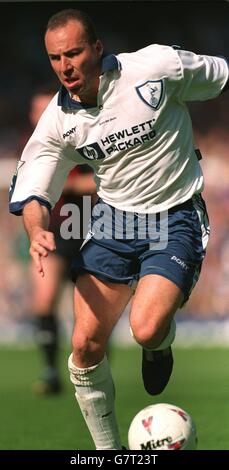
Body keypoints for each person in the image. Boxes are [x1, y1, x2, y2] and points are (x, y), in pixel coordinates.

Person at [9, 8, 228, 449]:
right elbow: (34, 191)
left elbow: (219, 76)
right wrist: (37, 232)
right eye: (55, 58)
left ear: (96, 48)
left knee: (146, 328)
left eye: (73, 53)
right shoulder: (57, 121)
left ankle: (157, 344)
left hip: (175, 214)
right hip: (113, 220)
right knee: (85, 345)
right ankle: (108, 453)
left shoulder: (156, 68)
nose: (66, 67)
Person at [19, 85, 97, 395]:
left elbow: (101, 181)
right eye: (37, 111)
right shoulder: (32, 150)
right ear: (31, 115)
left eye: (46, 109)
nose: (42, 116)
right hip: (53, 234)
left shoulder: (81, 138)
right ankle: (51, 370)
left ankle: (94, 369)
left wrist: (71, 184)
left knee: (91, 313)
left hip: (87, 231)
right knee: (44, 300)